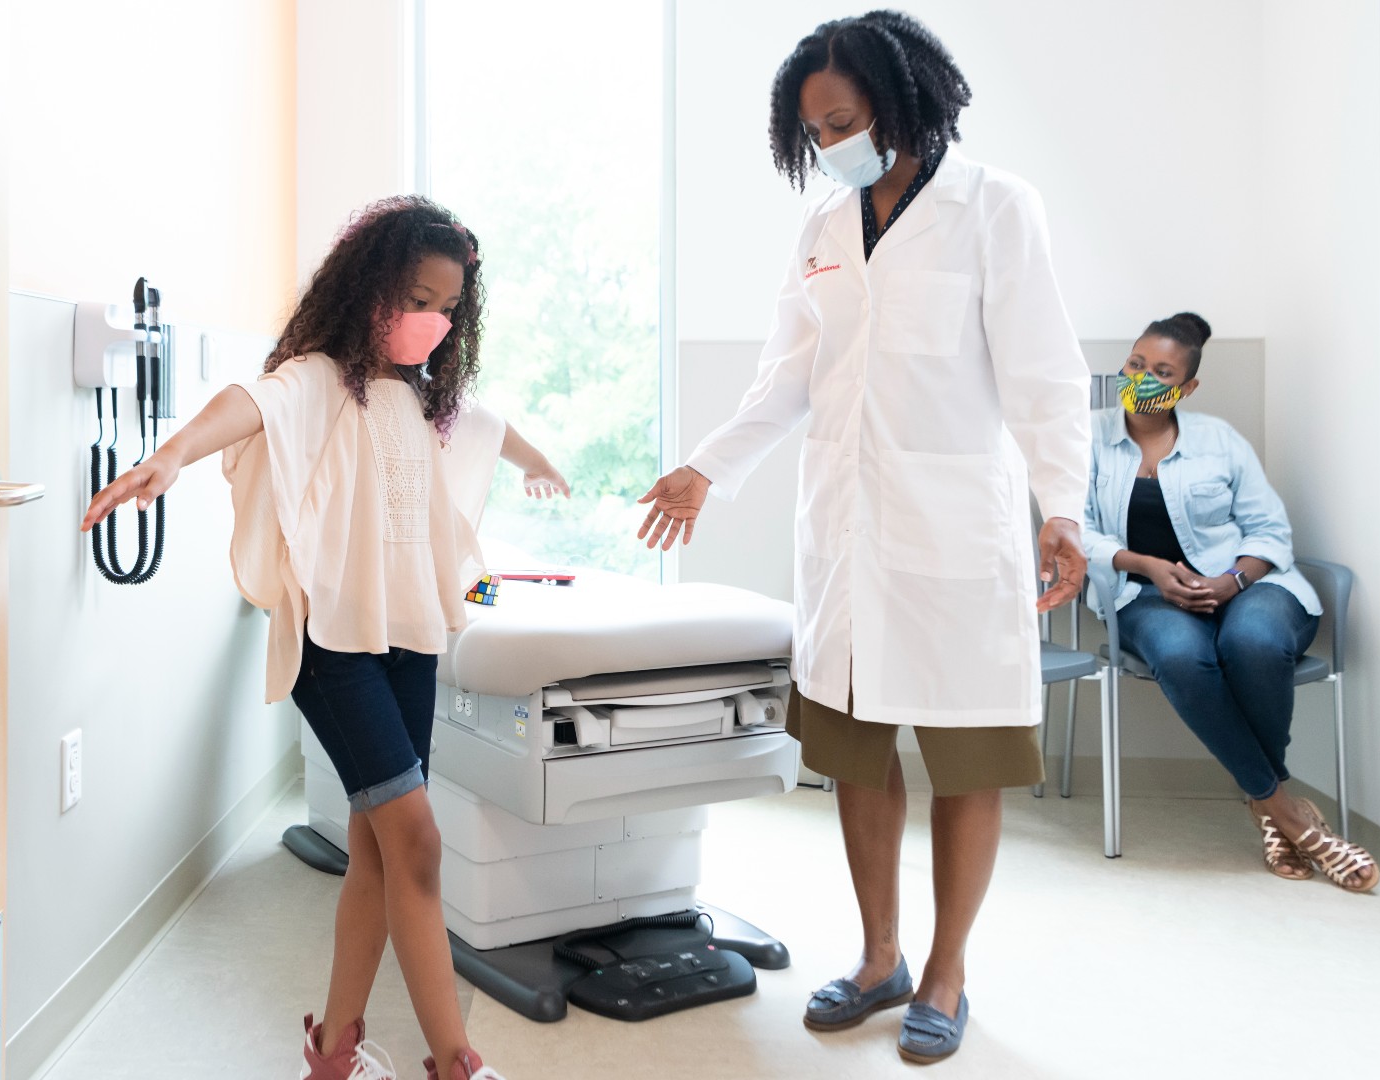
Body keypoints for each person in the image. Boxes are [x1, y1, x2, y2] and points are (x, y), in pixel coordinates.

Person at [635, 11, 1089, 1065]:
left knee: (966, 760)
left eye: (841, 119)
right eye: (814, 129)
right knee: (854, 754)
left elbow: (1045, 374)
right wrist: (711, 465)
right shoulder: (823, 232)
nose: (830, 142)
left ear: (901, 98)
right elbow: (787, 377)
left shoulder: (996, 210)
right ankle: (880, 957)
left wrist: (1061, 506)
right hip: (843, 530)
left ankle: (946, 973)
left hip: (955, 531)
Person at [82, 196, 565, 1080]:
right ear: (371, 287)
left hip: (408, 639)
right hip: (333, 649)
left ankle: (333, 1053)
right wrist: (173, 454)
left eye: (450, 307)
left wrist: (535, 462)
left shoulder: (423, 400)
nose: (435, 320)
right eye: (419, 296)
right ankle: (455, 1061)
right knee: (415, 839)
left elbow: (489, 425)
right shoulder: (317, 377)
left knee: (379, 850)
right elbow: (248, 402)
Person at [1084, 312, 1378, 892]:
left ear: (1186, 387)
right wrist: (1147, 567)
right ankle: (1287, 813)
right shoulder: (1084, 437)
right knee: (1181, 657)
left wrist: (1232, 582)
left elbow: (1269, 530)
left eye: (1161, 372)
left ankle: (1265, 809)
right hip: (1143, 594)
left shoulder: (1219, 440)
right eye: (1135, 365)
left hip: (1247, 585)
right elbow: (1078, 529)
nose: (1142, 379)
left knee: (1255, 643)